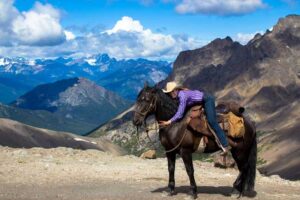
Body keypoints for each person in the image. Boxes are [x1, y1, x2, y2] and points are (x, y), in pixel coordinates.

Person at [159, 81, 230, 154]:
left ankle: (225, 145)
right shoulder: (180, 95)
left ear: (174, 91)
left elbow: (180, 113)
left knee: (212, 121)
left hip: (207, 100)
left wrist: (169, 121)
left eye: (169, 92)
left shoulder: (182, 95)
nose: (169, 95)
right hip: (200, 101)